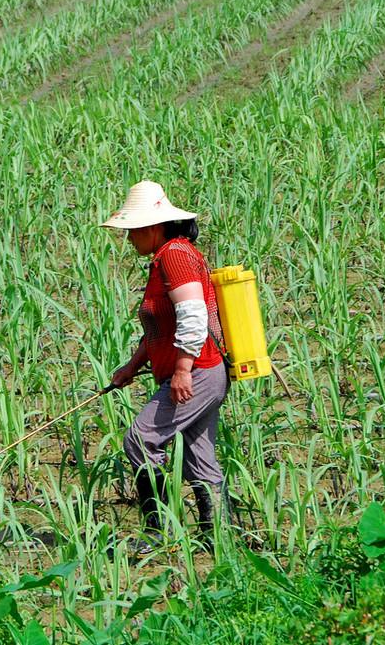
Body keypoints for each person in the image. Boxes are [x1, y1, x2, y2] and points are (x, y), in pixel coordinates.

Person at [102, 180, 230, 554]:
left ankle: (158, 533)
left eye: (132, 231)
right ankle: (219, 542)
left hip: (199, 372)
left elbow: (192, 315)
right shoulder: (168, 257)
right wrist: (132, 365)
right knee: (200, 460)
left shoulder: (174, 254)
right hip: (202, 371)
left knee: (141, 440)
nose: (128, 239)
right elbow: (162, 324)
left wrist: (183, 370)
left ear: (153, 227)